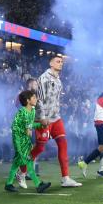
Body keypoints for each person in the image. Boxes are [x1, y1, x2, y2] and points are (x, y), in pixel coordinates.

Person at [21, 56, 82, 188]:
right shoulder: (44, 78)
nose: (60, 64)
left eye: (61, 62)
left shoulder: (59, 81)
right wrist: (42, 117)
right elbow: (39, 100)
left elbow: (55, 99)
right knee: (40, 148)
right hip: (44, 119)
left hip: (56, 118)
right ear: (50, 63)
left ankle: (65, 178)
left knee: (63, 143)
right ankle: (22, 171)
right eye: (57, 61)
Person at [5, 90, 51, 193]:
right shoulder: (22, 112)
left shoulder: (33, 110)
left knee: (16, 163)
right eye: (34, 97)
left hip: (25, 139)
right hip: (19, 139)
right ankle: (38, 185)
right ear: (28, 100)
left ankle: (8, 184)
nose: (36, 99)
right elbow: (20, 128)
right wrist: (18, 144)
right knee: (29, 161)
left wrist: (41, 125)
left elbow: (30, 126)